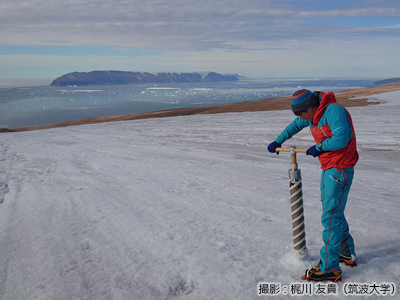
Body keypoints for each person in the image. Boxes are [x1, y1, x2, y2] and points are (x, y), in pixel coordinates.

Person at [268, 89, 358, 281]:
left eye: (301, 113)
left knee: (331, 217)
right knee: (334, 212)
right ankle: (346, 253)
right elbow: (294, 126)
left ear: (310, 107)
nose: (301, 118)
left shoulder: (333, 111)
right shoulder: (312, 115)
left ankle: (329, 268)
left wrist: (318, 148)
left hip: (339, 168)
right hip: (329, 167)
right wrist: (278, 140)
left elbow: (341, 138)